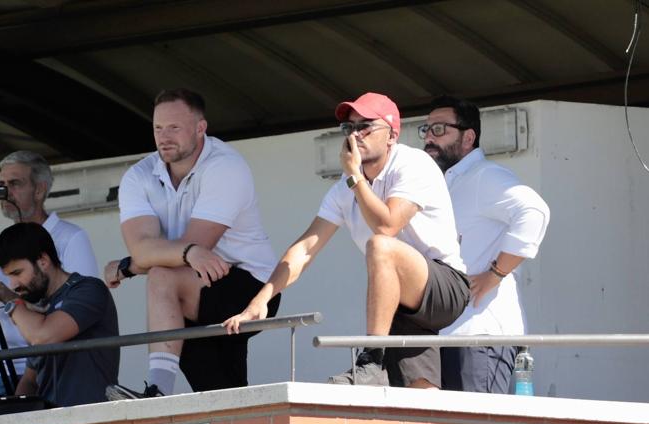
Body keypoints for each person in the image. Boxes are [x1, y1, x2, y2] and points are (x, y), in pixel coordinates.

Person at [224, 92, 470, 389]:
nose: (355, 134)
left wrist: (355, 177)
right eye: (349, 128)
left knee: (380, 246)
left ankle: (371, 359)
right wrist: (261, 299)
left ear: (392, 134)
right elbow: (305, 248)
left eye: (365, 126)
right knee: (419, 391)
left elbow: (387, 225)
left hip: (445, 286)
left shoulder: (413, 164)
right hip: (399, 297)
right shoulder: (346, 187)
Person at [104, 88, 279, 400]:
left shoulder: (225, 166)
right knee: (221, 399)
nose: (164, 137)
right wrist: (183, 253)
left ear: (201, 128)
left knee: (160, 275)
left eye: (174, 127)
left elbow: (184, 250)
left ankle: (156, 392)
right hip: (193, 289)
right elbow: (144, 248)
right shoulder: (138, 175)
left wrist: (130, 267)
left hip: (250, 287)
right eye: (158, 128)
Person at [421, 95, 550, 393]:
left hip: (480, 337)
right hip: (444, 336)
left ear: (468, 137)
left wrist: (496, 274)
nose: (429, 137)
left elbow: (534, 212)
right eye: (426, 130)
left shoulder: (485, 176)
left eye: (440, 129)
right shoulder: (443, 183)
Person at [0, 151, 99, 396]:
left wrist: (10, 298)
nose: (5, 193)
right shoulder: (4, 244)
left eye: (15, 184)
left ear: (40, 190)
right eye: (1, 185)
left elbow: (75, 306)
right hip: (5, 366)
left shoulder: (71, 237)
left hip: (49, 368)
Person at [0, 223, 119, 407]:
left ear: (43, 261)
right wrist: (18, 415)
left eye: (17, 273)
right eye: (8, 276)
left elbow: (43, 335)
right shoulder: (39, 309)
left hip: (91, 419)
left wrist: (9, 300)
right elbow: (30, 380)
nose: (13, 284)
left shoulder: (89, 289)